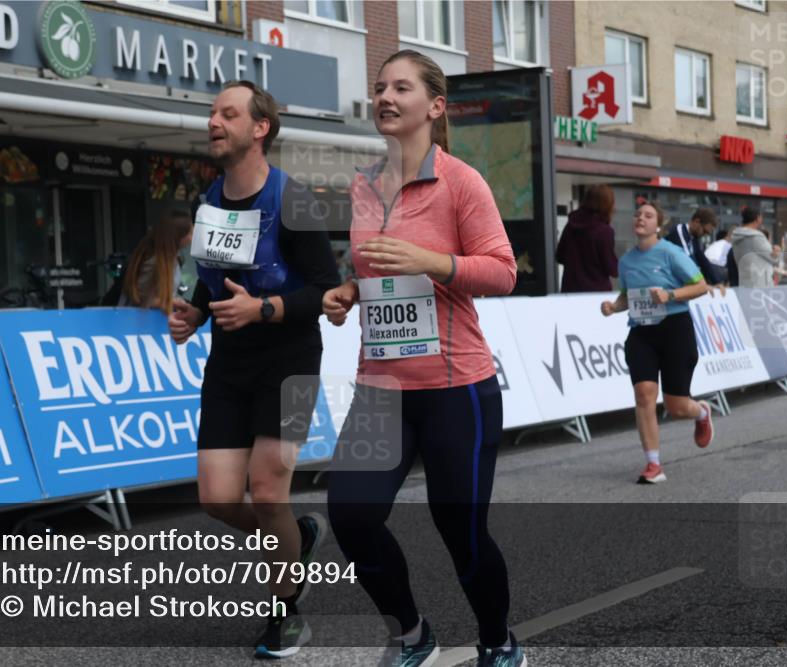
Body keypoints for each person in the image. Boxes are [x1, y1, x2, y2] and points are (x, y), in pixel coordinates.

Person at [322, 50, 524, 667]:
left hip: (454, 385)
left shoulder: (462, 182)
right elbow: (375, 271)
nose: (385, 96)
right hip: (381, 385)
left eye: (401, 88)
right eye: (379, 87)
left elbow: (503, 272)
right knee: (351, 518)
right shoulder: (362, 184)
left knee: (459, 530)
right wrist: (349, 292)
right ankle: (413, 634)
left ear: (434, 107)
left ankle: (498, 641)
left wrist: (430, 262)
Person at [167, 80, 340, 659]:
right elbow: (214, 268)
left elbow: (324, 290)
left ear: (259, 128)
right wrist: (195, 307)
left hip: (291, 359)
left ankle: (285, 617)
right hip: (230, 361)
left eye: (227, 114)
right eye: (212, 113)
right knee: (218, 498)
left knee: (268, 493)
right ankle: (295, 536)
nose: (213, 121)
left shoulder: (294, 200)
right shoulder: (210, 200)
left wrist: (262, 308)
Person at [600, 201, 713, 484]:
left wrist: (670, 295)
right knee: (644, 395)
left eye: (648, 215)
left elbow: (702, 286)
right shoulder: (626, 261)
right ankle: (653, 464)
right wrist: (613, 307)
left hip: (675, 330)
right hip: (641, 333)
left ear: (658, 225)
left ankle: (700, 412)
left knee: (676, 407)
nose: (641, 218)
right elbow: (628, 297)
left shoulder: (671, 253)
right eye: (637, 214)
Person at [115, 210, 193, 312]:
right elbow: (140, 298)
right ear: (178, 236)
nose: (192, 237)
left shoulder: (172, 258)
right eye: (190, 233)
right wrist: (173, 303)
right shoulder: (153, 260)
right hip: (140, 322)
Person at [555, 184, 618, 292]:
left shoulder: (571, 224)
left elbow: (559, 256)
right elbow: (612, 268)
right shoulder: (604, 231)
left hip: (570, 291)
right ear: (607, 204)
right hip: (596, 294)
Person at [664, 207, 720, 287]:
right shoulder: (679, 232)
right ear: (697, 221)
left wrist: (717, 282)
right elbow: (689, 262)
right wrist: (702, 285)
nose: (704, 235)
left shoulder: (693, 237)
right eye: (704, 231)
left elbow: (703, 260)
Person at [726, 207, 780, 288]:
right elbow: (774, 259)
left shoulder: (736, 235)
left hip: (744, 283)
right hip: (760, 286)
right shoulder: (756, 237)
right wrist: (777, 251)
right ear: (758, 218)